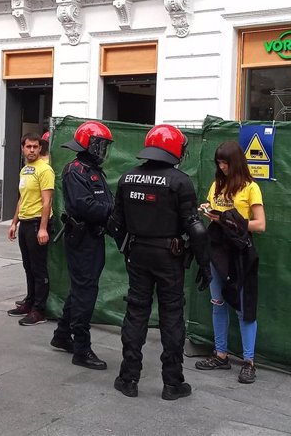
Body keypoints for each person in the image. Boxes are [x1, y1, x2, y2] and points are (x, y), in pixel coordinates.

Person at [107, 125, 212, 401]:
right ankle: (172, 382)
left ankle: (128, 378)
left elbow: (115, 222)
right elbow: (196, 228)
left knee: (136, 312)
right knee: (172, 315)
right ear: (175, 149)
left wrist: (126, 246)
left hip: (137, 253)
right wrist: (204, 262)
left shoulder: (128, 178)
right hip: (169, 256)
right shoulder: (180, 181)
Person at [194, 140, 266, 384]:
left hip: (239, 252)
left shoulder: (250, 188)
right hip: (216, 251)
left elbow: (261, 224)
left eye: (225, 162)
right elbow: (214, 210)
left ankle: (249, 362)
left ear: (235, 163)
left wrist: (232, 222)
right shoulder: (217, 185)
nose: (222, 167)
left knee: (244, 308)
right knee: (217, 303)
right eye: (218, 163)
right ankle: (221, 354)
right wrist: (208, 210)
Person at [50, 120, 114, 370]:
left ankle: (62, 334)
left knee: (81, 289)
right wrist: (113, 210)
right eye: (99, 144)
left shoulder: (92, 169)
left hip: (92, 237)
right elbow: (82, 206)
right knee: (85, 291)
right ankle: (82, 348)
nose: (103, 150)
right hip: (82, 238)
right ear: (88, 144)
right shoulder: (75, 169)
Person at [7, 133, 55, 326]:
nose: (32, 150)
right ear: (23, 148)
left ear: (40, 148)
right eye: (29, 147)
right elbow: (21, 198)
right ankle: (29, 302)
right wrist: (14, 222)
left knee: (38, 269)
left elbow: (47, 201)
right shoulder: (25, 169)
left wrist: (43, 229)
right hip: (25, 223)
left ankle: (39, 310)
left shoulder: (45, 170)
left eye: (36, 147)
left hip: (37, 223)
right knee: (28, 267)